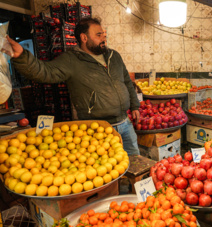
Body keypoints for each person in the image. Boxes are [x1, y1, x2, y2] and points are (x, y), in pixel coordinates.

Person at [2, 17, 140, 155]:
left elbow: (127, 81)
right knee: (108, 169)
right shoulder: (71, 60)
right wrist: (22, 57)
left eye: (104, 33)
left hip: (125, 122)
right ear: (84, 38)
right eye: (98, 34)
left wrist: (135, 106)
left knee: (136, 162)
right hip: (96, 129)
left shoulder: (113, 56)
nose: (104, 37)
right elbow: (45, 72)